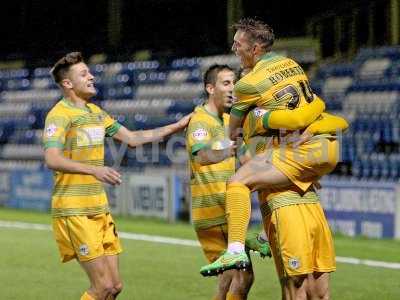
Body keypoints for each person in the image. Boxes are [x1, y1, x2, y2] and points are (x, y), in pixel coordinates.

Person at [201, 18, 348, 299]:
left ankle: (233, 251)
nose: (233, 48)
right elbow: (311, 109)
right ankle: (249, 243)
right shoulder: (291, 66)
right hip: (312, 172)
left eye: (238, 44)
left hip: (287, 190)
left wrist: (251, 124)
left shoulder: (250, 89)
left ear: (255, 49)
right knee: (318, 291)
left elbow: (232, 136)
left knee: (295, 289)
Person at [43, 52, 191, 300]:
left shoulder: (97, 114)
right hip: (74, 210)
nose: (91, 76)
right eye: (83, 74)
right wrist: (95, 170)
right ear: (67, 83)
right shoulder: (59, 115)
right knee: (101, 288)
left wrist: (177, 126)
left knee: (114, 287)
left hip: (99, 208)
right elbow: (52, 159)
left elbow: (132, 138)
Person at [186, 64, 270, 300]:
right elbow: (202, 156)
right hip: (213, 211)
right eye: (226, 83)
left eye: (234, 82)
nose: (233, 88)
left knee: (229, 279)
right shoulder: (200, 120)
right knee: (243, 277)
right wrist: (226, 150)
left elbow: (246, 159)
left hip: (225, 210)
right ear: (210, 88)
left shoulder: (227, 122)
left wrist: (280, 169)